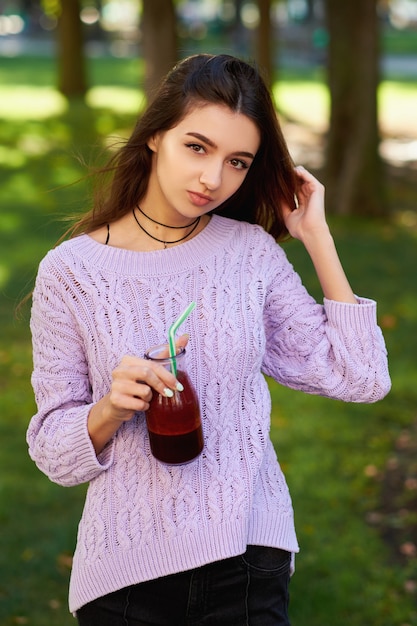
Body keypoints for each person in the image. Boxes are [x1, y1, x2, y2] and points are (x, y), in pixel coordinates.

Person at [27, 53, 391, 625]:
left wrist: (317, 238)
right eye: (196, 147)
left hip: (247, 558)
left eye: (238, 161)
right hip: (124, 574)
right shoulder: (71, 273)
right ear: (154, 136)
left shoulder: (250, 254)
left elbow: (362, 378)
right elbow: (53, 451)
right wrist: (109, 409)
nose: (212, 179)